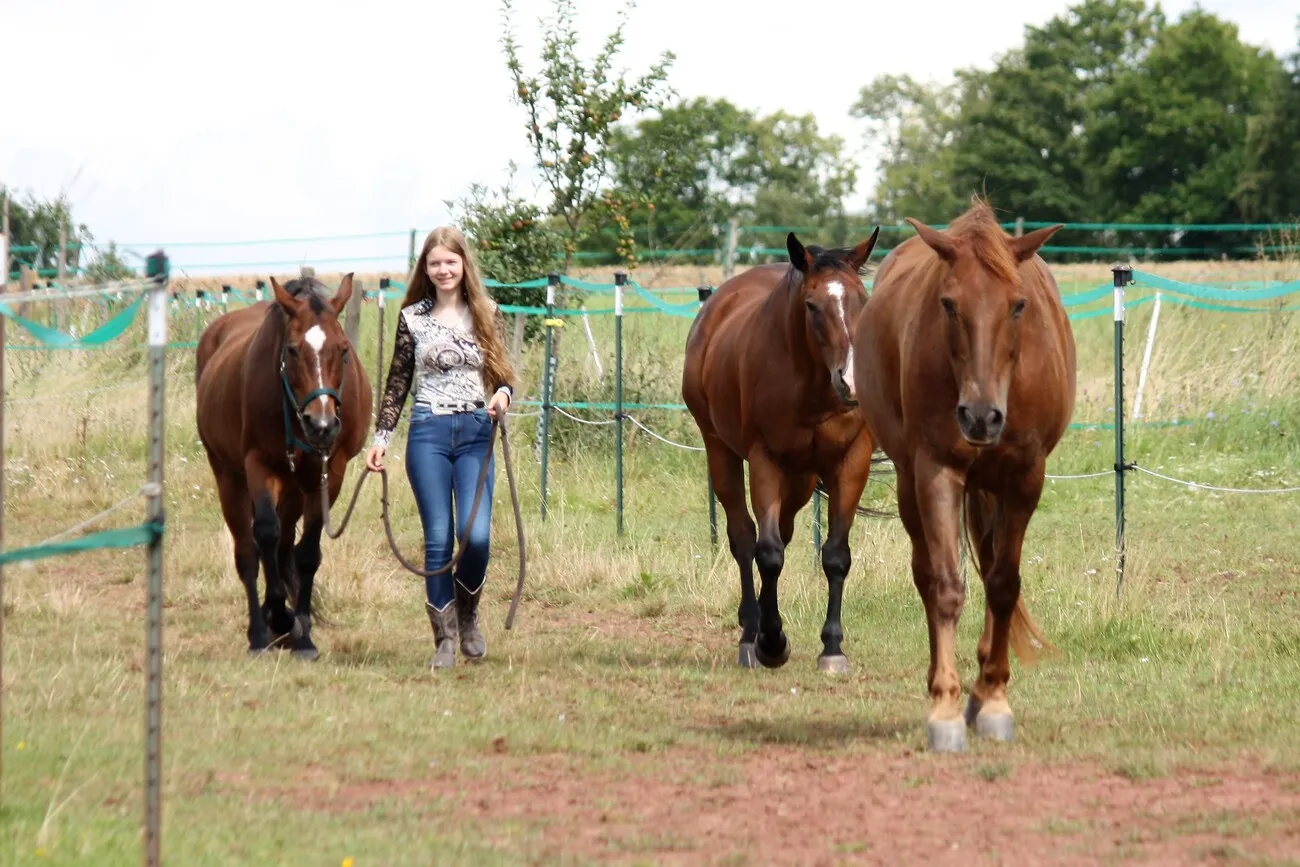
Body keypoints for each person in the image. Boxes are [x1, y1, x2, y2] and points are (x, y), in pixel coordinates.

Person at [366, 226, 515, 671]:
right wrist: (381, 438)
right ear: (425, 269)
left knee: (477, 536)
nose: (444, 269)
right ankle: (445, 638)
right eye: (435, 263)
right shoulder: (412, 317)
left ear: (463, 264)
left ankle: (468, 615)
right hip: (428, 431)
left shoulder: (488, 312)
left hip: (475, 431)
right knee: (437, 539)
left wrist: (502, 394)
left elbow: (503, 375)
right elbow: (398, 381)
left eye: (451, 261)